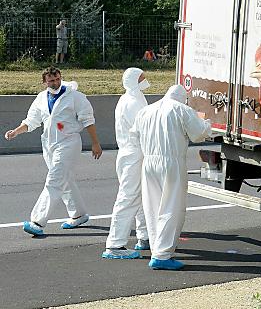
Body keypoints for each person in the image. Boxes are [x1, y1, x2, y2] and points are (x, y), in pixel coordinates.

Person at [4, 67, 103, 236]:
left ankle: (37, 221)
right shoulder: (41, 98)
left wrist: (95, 143)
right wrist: (15, 131)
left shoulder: (75, 97)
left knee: (54, 179)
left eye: (57, 79)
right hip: (49, 145)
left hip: (69, 143)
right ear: (44, 82)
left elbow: (88, 120)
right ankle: (78, 214)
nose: (55, 82)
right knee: (65, 180)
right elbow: (31, 121)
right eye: (51, 80)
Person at [132, 84, 211, 271]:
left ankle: (156, 249)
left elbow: (134, 135)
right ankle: (162, 255)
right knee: (171, 208)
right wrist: (208, 123)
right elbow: (199, 134)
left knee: (153, 207)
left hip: (149, 162)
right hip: (172, 162)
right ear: (183, 98)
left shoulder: (146, 111)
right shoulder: (182, 109)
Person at [102, 68, 151, 259]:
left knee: (138, 196)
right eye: (141, 77)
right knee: (128, 197)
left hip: (128, 153)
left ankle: (144, 236)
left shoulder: (130, 98)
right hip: (133, 153)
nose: (145, 80)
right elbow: (142, 129)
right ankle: (115, 244)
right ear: (133, 80)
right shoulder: (133, 102)